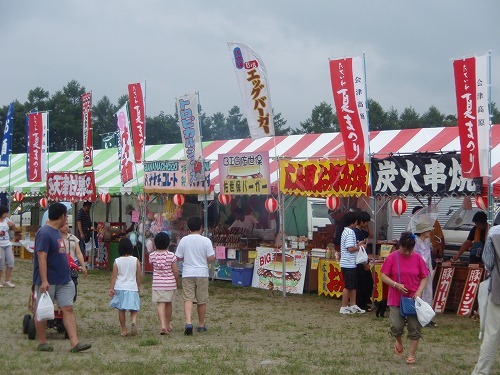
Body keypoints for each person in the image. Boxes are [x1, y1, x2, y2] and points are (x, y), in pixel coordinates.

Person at [33, 202, 91, 352]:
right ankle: (42, 342)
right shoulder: (44, 233)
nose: (67, 219)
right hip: (49, 280)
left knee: (68, 308)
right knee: (43, 310)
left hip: (64, 279)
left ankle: (75, 343)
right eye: (67, 216)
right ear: (62, 216)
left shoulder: (58, 232)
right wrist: (44, 280)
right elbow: (42, 258)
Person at [380, 231, 429, 365]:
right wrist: (395, 285)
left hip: (413, 298)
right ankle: (399, 341)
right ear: (399, 245)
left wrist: (419, 291)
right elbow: (383, 275)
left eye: (410, 250)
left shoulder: (418, 258)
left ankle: (411, 355)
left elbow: (424, 277)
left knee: (415, 327)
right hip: (396, 297)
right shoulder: (392, 258)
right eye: (404, 249)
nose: (406, 253)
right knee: (396, 326)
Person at [175, 216, 215, 335]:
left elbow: (178, 256)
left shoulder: (184, 240)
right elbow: (211, 257)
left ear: (189, 228)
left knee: (188, 298)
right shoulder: (206, 240)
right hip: (202, 272)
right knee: (202, 300)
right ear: (201, 227)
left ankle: (188, 322)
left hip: (188, 272)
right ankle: (201, 325)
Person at [471, 224, 500, 374]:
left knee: (491, 335)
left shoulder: (494, 232)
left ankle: (481, 372)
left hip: (497, 290)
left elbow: (488, 262)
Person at [109, 237, 142, 337]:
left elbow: (114, 277)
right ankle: (133, 320)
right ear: (131, 248)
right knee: (134, 307)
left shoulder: (117, 261)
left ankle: (123, 329)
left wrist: (111, 288)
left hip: (120, 287)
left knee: (121, 309)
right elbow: (139, 275)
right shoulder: (135, 260)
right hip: (132, 287)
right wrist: (138, 286)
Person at [149, 232, 179, 335]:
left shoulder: (152, 256)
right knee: (168, 303)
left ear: (155, 243)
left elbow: (153, 268)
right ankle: (167, 324)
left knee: (160, 304)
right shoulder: (172, 256)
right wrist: (177, 281)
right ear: (168, 243)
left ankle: (162, 325)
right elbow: (175, 271)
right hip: (170, 283)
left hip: (157, 283)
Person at [339, 211, 366, 314]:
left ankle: (353, 305)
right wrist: (360, 247)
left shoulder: (346, 231)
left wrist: (357, 244)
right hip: (349, 263)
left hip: (349, 263)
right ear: (354, 222)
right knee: (348, 286)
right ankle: (344, 306)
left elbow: (349, 246)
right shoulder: (350, 232)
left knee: (353, 286)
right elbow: (350, 248)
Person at [412, 220, 436, 327]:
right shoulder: (415, 243)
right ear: (422, 232)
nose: (430, 232)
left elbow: (428, 258)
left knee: (428, 292)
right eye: (428, 230)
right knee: (419, 292)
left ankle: (427, 316)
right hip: (418, 271)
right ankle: (419, 316)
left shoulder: (426, 242)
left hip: (427, 271)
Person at [353, 211, 375, 312]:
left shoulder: (362, 231)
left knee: (369, 282)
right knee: (363, 284)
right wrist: (362, 244)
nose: (366, 224)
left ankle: (364, 302)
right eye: (366, 222)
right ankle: (361, 304)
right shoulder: (355, 232)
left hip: (364, 259)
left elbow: (371, 235)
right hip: (359, 261)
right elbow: (356, 246)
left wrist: (369, 224)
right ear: (361, 221)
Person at [0, 205, 16, 287]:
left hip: (7, 244)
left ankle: (7, 280)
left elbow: (13, 228)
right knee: (1, 264)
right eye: (5, 213)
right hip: (0, 245)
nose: (6, 214)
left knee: (11, 262)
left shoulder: (6, 220)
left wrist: (12, 225)